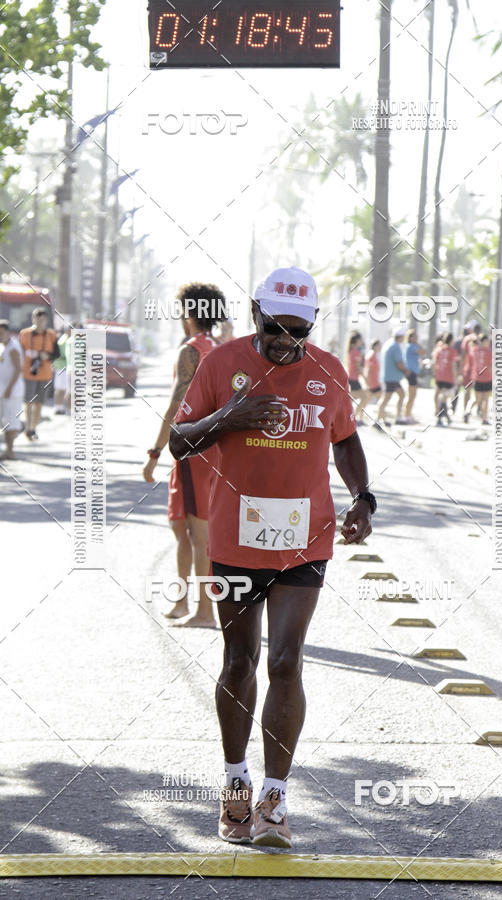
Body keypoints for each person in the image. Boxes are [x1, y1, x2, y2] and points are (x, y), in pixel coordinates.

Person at [170, 266, 374, 849]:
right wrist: (228, 417)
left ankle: (275, 799)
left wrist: (363, 497)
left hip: (305, 537)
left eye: (299, 330)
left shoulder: (328, 371)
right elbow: (181, 441)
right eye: (277, 327)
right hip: (235, 538)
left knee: (286, 662)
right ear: (256, 313)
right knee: (240, 662)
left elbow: (345, 439)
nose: (287, 339)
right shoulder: (220, 364)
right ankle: (235, 786)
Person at [143, 283, 227, 628]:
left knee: (197, 533)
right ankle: (181, 600)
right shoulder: (219, 348)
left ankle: (204, 612)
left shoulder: (192, 350)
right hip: (203, 450)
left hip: (194, 450)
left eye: (182, 311)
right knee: (181, 527)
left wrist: (154, 452)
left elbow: (176, 405)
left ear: (190, 314)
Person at [20, 307, 57, 440]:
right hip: (28, 374)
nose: (40, 322)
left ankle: (33, 428)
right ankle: (28, 427)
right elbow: (19, 353)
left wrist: (46, 356)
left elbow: (56, 354)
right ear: (33, 319)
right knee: (28, 402)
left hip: (45, 374)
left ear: (46, 320)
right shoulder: (24, 334)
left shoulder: (51, 334)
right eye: (37, 319)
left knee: (39, 403)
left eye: (42, 320)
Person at [0, 320, 24, 460]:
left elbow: (17, 370)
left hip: (12, 391)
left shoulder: (13, 347)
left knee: (10, 421)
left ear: (7, 332)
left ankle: (10, 450)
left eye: (1, 332)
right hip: (2, 390)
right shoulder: (2, 346)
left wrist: (9, 388)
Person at [377, 328, 409, 425]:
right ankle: (379, 419)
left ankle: (397, 416)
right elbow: (399, 362)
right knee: (386, 398)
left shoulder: (389, 344)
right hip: (391, 378)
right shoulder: (395, 346)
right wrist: (406, 371)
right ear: (401, 337)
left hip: (390, 377)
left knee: (401, 394)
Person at [466, 333, 493, 425]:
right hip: (487, 378)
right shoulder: (489, 352)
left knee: (477, 399)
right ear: (484, 341)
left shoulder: (474, 351)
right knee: (485, 400)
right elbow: (490, 366)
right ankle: (484, 419)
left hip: (477, 377)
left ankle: (467, 410)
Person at [433, 332, 459, 426]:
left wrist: (435, 373)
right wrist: (455, 378)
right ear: (451, 340)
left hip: (439, 375)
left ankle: (443, 415)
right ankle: (440, 417)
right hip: (448, 377)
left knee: (440, 396)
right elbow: (453, 366)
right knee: (444, 397)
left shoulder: (439, 349)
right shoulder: (452, 351)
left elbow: (435, 362)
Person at [403, 328, 426, 423]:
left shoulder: (412, 346)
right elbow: (423, 352)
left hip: (413, 373)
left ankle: (408, 413)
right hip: (411, 373)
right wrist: (417, 343)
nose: (417, 338)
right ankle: (407, 415)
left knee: (413, 394)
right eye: (415, 337)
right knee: (412, 395)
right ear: (411, 338)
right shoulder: (412, 346)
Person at [345, 331, 367, 425]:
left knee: (349, 400)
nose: (362, 341)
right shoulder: (356, 352)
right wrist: (366, 379)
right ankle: (353, 418)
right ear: (357, 340)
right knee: (364, 398)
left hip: (352, 378)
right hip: (353, 379)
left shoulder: (351, 350)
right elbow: (358, 367)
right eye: (361, 339)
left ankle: (351, 418)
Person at [461, 322, 481, 422]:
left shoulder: (467, 339)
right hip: (478, 370)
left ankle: (466, 410)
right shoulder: (483, 339)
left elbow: (463, 354)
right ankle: (472, 410)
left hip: (468, 368)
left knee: (467, 391)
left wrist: (461, 368)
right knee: (480, 394)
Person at [53, 324, 72, 415]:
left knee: (65, 389)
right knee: (60, 388)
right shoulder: (62, 340)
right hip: (61, 367)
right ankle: (58, 407)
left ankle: (62, 407)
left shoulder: (70, 339)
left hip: (67, 367)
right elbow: (59, 354)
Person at [364, 339, 382, 419]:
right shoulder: (371, 355)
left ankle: (379, 417)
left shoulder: (373, 355)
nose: (380, 347)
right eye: (379, 345)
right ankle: (379, 418)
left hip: (375, 381)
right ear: (375, 346)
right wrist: (367, 383)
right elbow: (368, 369)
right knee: (380, 399)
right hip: (372, 382)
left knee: (367, 400)